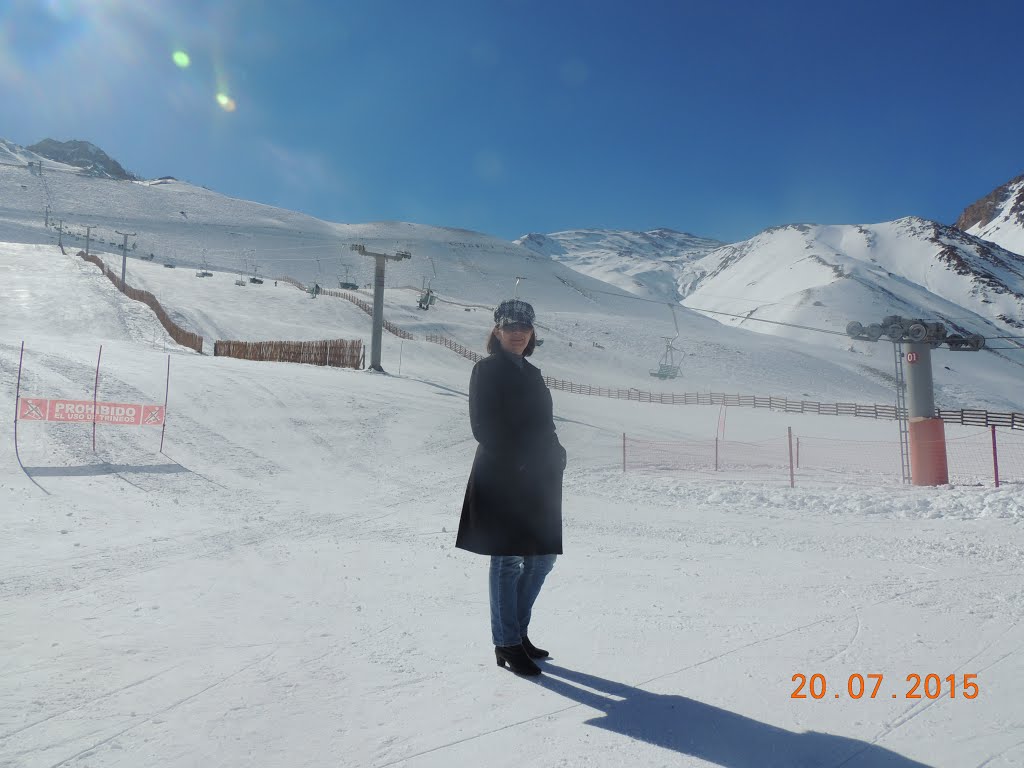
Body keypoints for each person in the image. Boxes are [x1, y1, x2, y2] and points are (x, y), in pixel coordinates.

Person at [456, 299, 567, 676]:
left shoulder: (533, 373)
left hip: (539, 477)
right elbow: (483, 427)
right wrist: (519, 461)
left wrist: (556, 451)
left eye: (524, 328)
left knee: (541, 559)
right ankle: (505, 642)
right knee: (506, 561)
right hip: (504, 475)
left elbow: (544, 424)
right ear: (497, 332)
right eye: (510, 327)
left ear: (532, 333)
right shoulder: (486, 370)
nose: (518, 334)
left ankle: (517, 634)